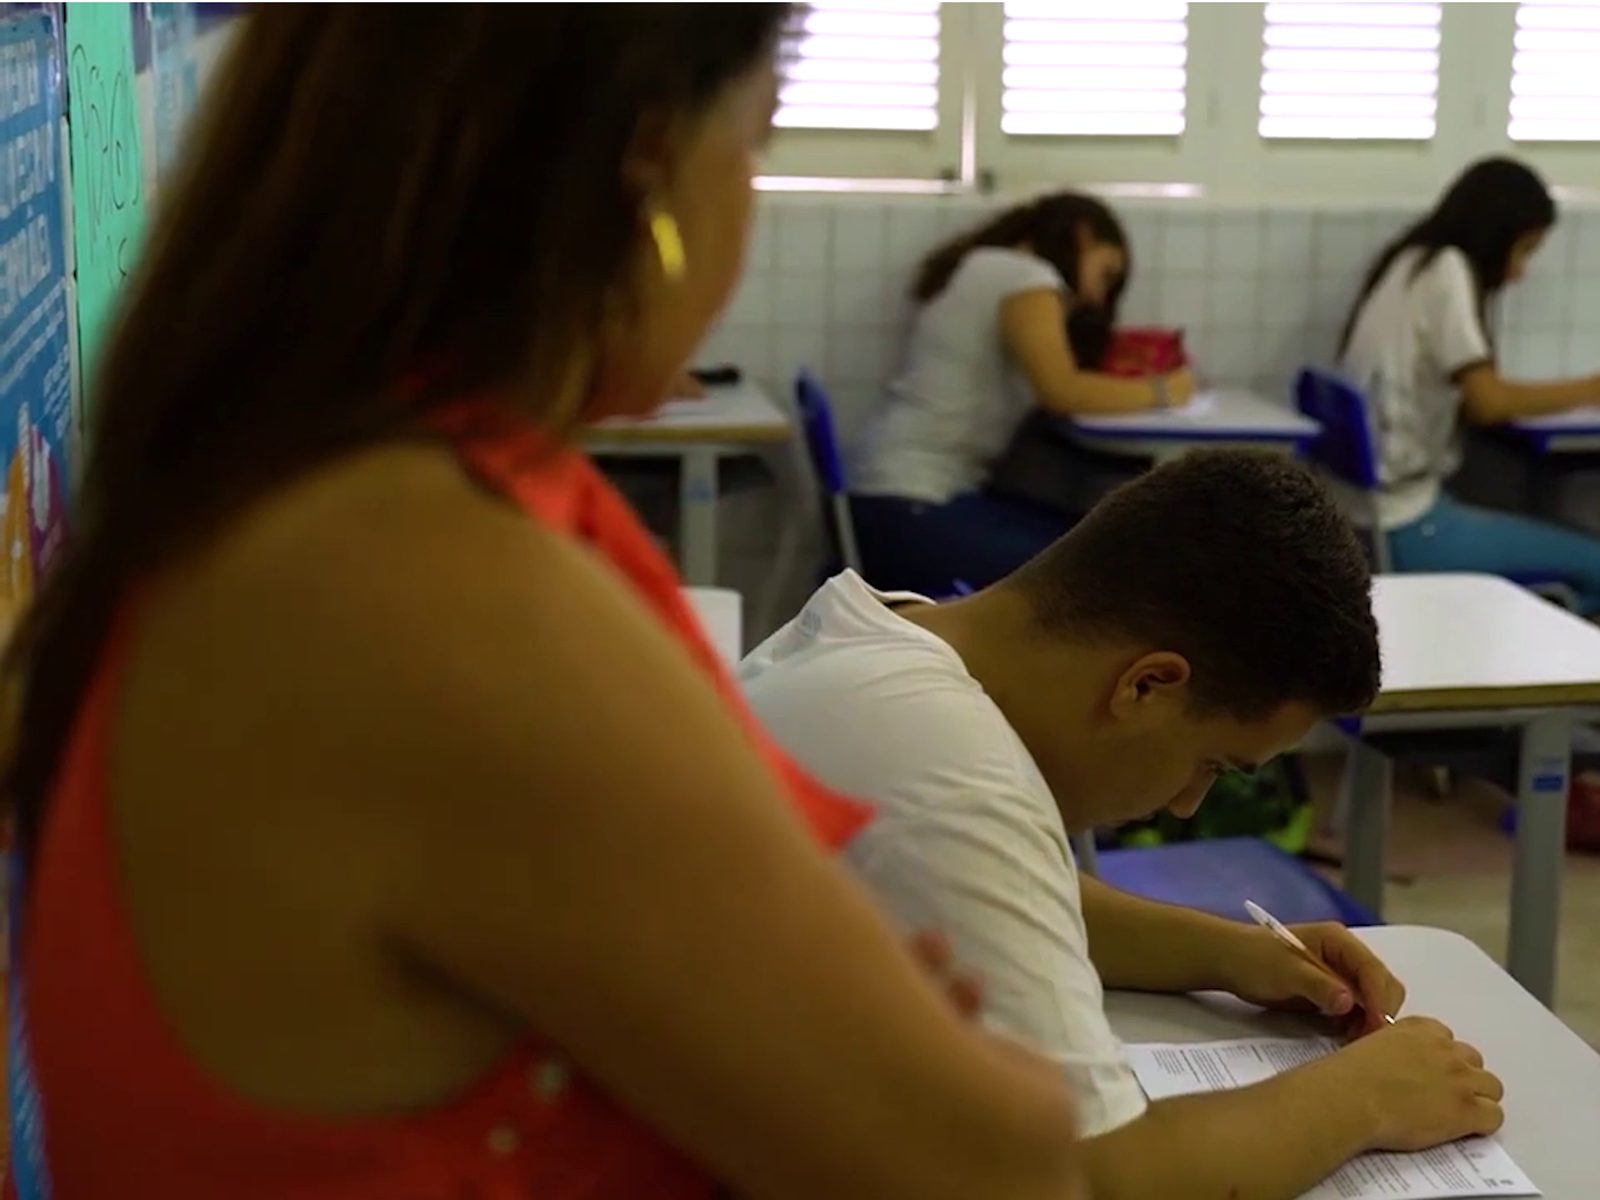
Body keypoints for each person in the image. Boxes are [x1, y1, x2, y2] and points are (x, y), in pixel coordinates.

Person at [1, 8, 1089, 1198]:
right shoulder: (425, 590)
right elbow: (1000, 1164)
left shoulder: (307, 483)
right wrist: (903, 1038)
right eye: (756, 141)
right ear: (645, 165)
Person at [741, 449, 1506, 1200]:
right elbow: (1100, 1178)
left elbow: (1003, 889)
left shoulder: (880, 628)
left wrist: (1231, 955)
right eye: (1213, 764)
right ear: (1147, 685)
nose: (1185, 805)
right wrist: (1368, 1095)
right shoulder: (953, 778)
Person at [848, 191, 1196, 596]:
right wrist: (1166, 391)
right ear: (1083, 235)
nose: (1097, 298)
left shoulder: (988, 266)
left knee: (1086, 536)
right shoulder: (1026, 279)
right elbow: (1062, 390)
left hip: (887, 501)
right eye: (1106, 273)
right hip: (909, 509)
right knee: (1102, 561)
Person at [1337, 155, 1600, 613]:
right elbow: (1489, 402)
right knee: (1594, 560)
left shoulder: (1410, 262)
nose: (1519, 273)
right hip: (1410, 525)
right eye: (1522, 252)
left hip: (1368, 517)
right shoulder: (1448, 272)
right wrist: (1592, 389)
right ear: (1496, 237)